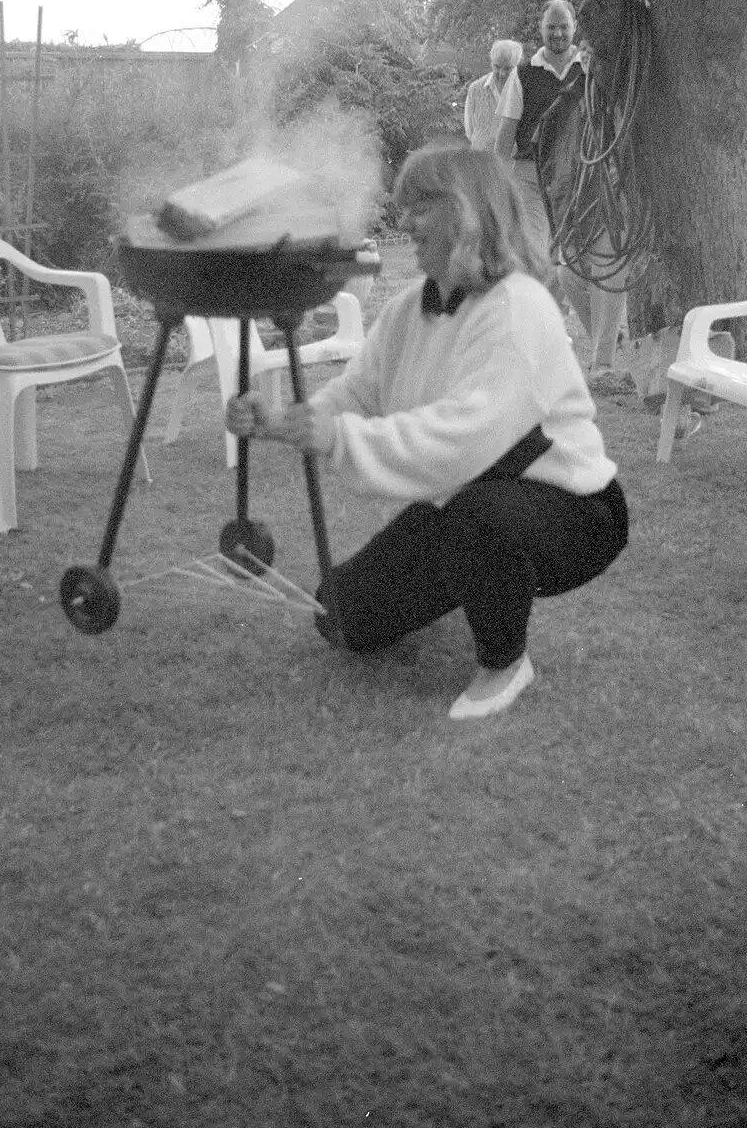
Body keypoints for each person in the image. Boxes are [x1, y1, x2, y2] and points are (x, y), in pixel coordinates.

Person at [226, 144, 628, 722]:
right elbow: (358, 392)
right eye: (403, 206)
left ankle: (504, 663)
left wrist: (338, 437)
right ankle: (475, 583)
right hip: (465, 499)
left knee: (481, 517)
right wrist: (283, 420)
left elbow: (463, 436)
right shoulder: (409, 307)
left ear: (466, 211)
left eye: (420, 206)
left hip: (572, 512)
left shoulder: (521, 308)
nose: (405, 222)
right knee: (341, 617)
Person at [494, 0, 628, 377]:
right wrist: (493, 184)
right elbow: (505, 134)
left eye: (563, 26)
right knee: (543, 260)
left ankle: (604, 351)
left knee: (578, 266)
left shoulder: (588, 68)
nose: (557, 33)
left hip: (580, 179)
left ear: (574, 28)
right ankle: (546, 344)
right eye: (550, 27)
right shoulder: (524, 74)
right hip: (531, 176)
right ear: (541, 29)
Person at [463, 39, 523, 152]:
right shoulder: (475, 88)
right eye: (497, 67)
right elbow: (470, 129)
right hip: (481, 161)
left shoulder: (524, 90)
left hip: (512, 163)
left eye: (508, 68)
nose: (502, 73)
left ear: (517, 65)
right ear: (491, 63)